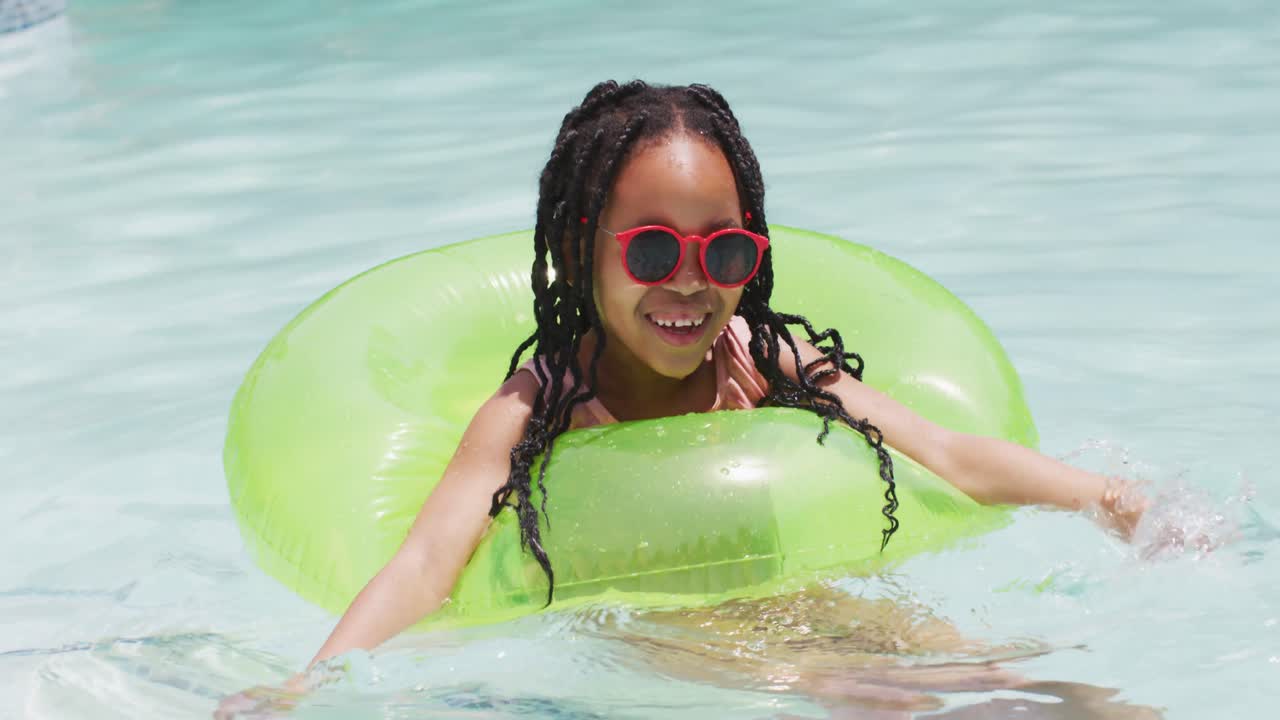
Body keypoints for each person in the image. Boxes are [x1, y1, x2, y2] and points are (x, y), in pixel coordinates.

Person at [215, 80, 1148, 718]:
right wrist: (308, 686)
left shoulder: (764, 355)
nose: (690, 286)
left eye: (725, 253)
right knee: (873, 692)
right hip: (652, 631)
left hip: (801, 596)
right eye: (653, 251)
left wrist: (1106, 497)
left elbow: (946, 452)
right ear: (586, 246)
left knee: (1021, 676)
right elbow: (424, 567)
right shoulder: (537, 405)